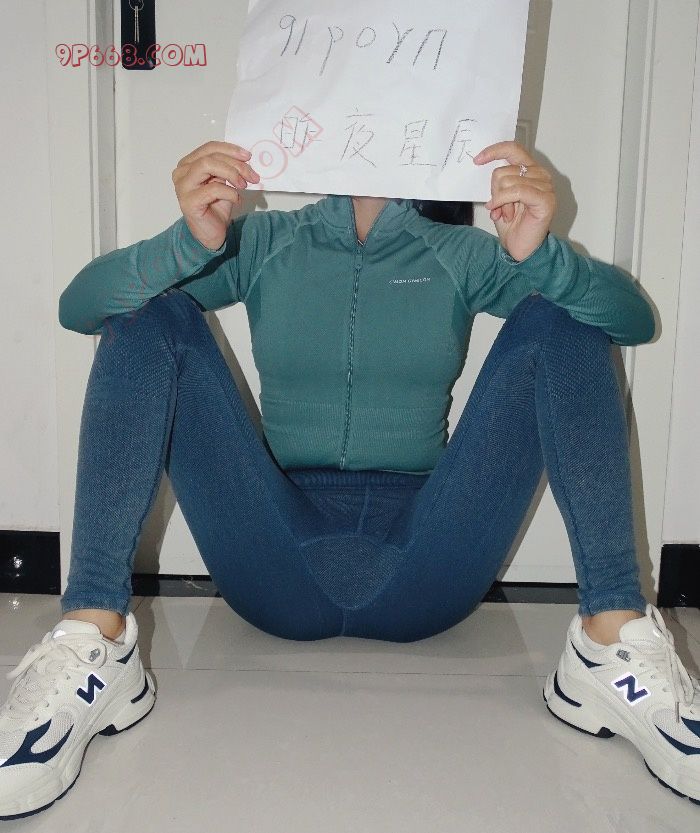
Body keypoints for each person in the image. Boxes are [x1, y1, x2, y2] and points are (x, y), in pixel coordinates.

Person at [1, 138, 698, 820]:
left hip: (432, 561)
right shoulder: (263, 241)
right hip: (272, 559)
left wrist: (545, 256)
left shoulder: (459, 252)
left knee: (562, 313)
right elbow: (79, 307)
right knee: (152, 310)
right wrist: (186, 242)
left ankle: (609, 639)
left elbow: (632, 322)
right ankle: (94, 636)